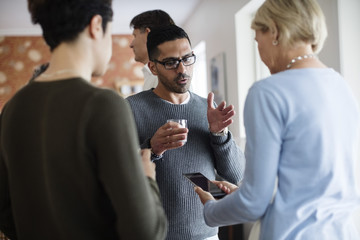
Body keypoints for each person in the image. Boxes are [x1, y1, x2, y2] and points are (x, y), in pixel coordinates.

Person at [0, 0, 167, 239]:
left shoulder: (13, 108)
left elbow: (5, 213)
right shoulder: (106, 105)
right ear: (96, 25)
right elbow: (145, 232)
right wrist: (147, 178)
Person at [194, 0, 360, 239]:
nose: (258, 50)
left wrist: (211, 210)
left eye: (256, 38)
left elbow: (253, 204)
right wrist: (243, 194)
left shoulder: (268, 92)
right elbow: (309, 181)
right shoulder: (340, 85)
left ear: (274, 31)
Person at [126, 25, 245, 240]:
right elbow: (120, 176)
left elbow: (236, 175)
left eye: (188, 58)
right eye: (171, 62)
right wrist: (152, 148)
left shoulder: (206, 109)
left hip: (206, 235)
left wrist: (220, 135)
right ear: (153, 68)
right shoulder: (131, 109)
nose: (182, 69)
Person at [129, 9, 175, 90]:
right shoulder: (154, 75)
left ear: (148, 34)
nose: (131, 45)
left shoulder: (164, 77)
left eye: (135, 36)